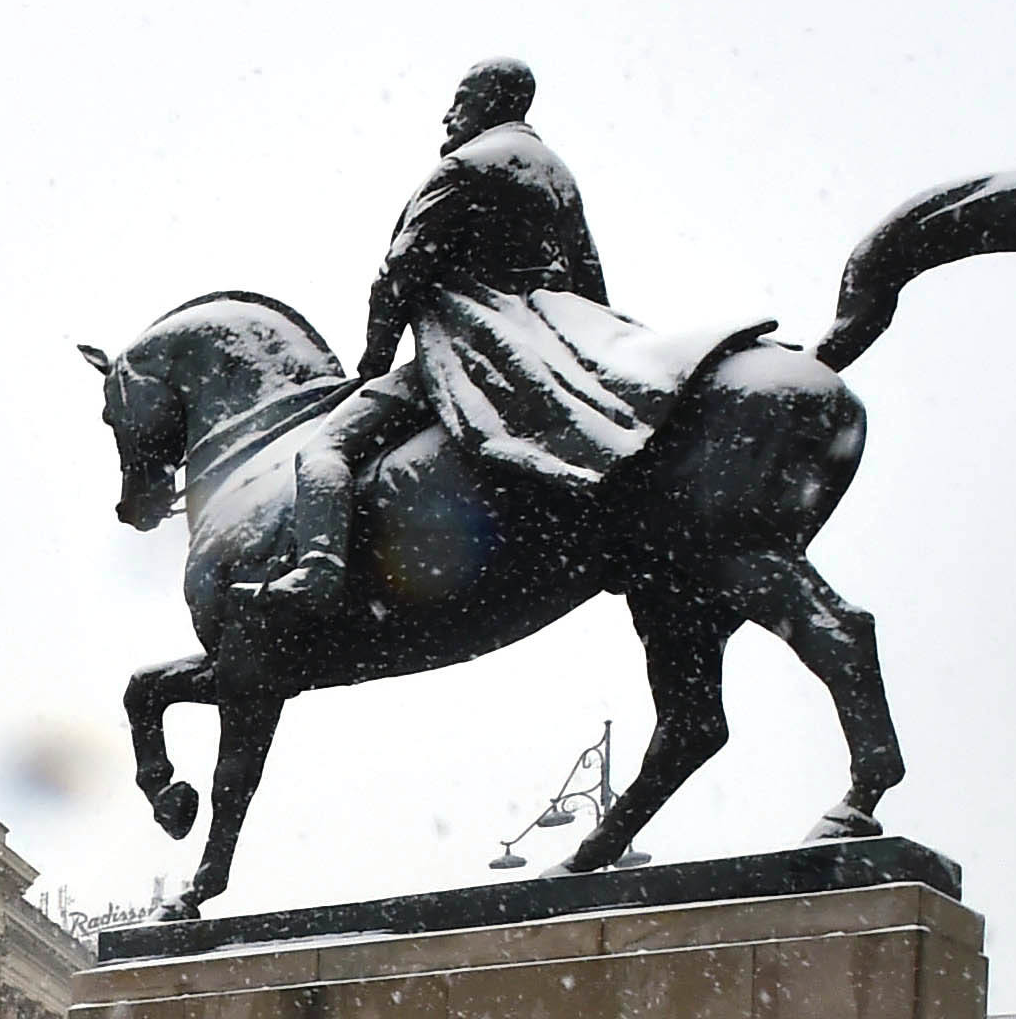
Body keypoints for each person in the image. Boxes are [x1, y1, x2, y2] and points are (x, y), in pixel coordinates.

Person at [249, 59, 707, 611]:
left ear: (492, 101)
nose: (449, 114)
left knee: (325, 448)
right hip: (558, 352)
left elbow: (399, 272)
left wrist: (373, 363)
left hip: (476, 354)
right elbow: (591, 284)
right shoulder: (555, 174)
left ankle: (317, 570)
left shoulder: (463, 169)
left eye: (461, 98)